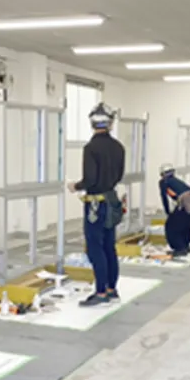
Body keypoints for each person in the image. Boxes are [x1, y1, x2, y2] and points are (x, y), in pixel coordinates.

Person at [67, 103, 125, 307]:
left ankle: (100, 292)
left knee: (95, 248)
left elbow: (90, 179)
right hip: (111, 200)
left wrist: (76, 186)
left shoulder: (90, 148)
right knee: (109, 246)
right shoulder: (118, 147)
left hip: (95, 204)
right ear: (111, 123)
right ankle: (111, 289)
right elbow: (119, 176)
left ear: (92, 123)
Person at [159, 164, 190, 256]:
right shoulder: (176, 180)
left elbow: (164, 198)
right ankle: (185, 246)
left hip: (186, 203)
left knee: (171, 226)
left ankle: (180, 248)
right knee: (186, 225)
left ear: (162, 174)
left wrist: (168, 212)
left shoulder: (164, 182)